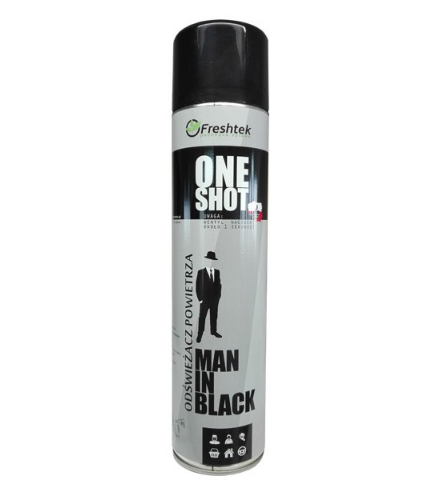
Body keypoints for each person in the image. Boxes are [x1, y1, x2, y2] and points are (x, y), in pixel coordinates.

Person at [196, 251, 222, 343]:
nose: (211, 261)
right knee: (202, 317)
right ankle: (199, 334)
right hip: (204, 300)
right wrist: (200, 299)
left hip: (214, 300)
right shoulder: (201, 272)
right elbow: (198, 286)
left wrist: (218, 297)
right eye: (209, 259)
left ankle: (213, 331)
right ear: (206, 260)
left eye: (213, 260)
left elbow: (218, 285)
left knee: (214, 316)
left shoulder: (217, 272)